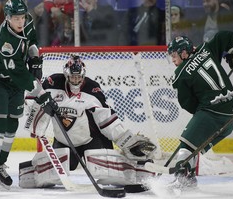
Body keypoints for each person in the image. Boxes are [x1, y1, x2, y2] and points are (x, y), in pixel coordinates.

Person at [19, 55, 157, 188]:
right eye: (72, 76)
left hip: (89, 139)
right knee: (56, 171)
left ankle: (138, 170)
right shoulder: (52, 83)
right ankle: (30, 171)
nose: (75, 80)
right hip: (63, 141)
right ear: (66, 75)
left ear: (83, 75)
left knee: (102, 166)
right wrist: (39, 105)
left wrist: (126, 140)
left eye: (78, 77)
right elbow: (31, 99)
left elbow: (106, 119)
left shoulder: (92, 89)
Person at [0, 0, 50, 192]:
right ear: (8, 18)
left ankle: (0, 165)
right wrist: (41, 93)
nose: (20, 22)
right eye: (16, 18)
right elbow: (17, 73)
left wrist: (35, 58)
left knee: (11, 126)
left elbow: (32, 42)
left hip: (13, 81)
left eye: (22, 18)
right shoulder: (5, 41)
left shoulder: (26, 24)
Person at [167, 31, 233, 189]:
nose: (173, 60)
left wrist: (201, 115)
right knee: (194, 146)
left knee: (186, 146)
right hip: (230, 115)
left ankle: (183, 180)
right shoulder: (207, 49)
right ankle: (188, 176)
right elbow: (224, 36)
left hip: (212, 114)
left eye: (174, 56)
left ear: (184, 53)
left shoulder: (180, 74)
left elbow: (187, 103)